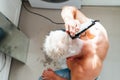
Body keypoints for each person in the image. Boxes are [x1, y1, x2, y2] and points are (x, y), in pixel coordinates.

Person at [40, 6, 109, 80]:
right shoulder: (91, 28)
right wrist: (69, 19)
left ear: (70, 58)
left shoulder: (81, 70)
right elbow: (69, 8)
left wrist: (54, 77)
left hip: (86, 76)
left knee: (41, 79)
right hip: (86, 54)